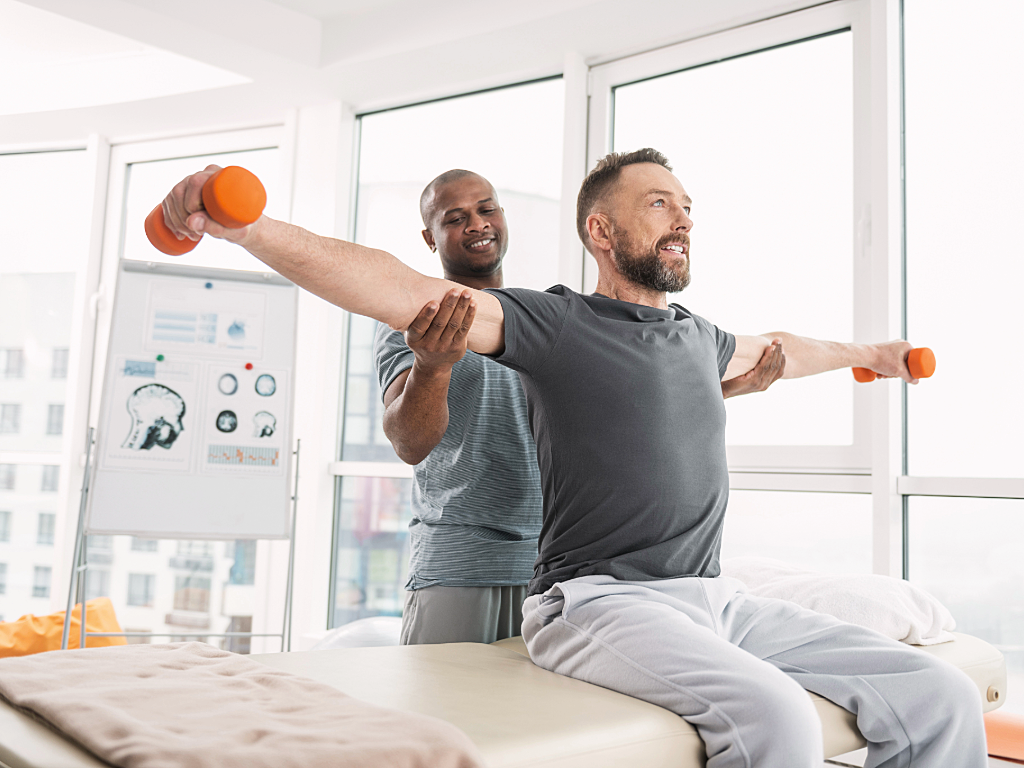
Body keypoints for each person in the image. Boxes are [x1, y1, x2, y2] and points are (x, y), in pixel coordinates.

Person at [160, 149, 984, 767]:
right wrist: (245, 224)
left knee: (939, 693)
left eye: (687, 205)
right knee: (777, 716)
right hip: (595, 600)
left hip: (712, 597)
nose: (683, 218)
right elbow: (393, 289)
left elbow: (787, 347)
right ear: (601, 230)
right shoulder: (556, 324)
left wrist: (873, 351)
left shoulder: (700, 340)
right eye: (659, 203)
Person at [375, 169, 785, 645]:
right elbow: (409, 442)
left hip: (562, 573)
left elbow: (610, 416)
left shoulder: (544, 319)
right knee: (447, 714)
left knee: (550, 719)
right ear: (430, 237)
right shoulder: (412, 322)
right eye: (455, 217)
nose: (477, 224)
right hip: (463, 562)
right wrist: (432, 365)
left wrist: (722, 391)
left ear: (503, 217)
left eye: (486, 209)